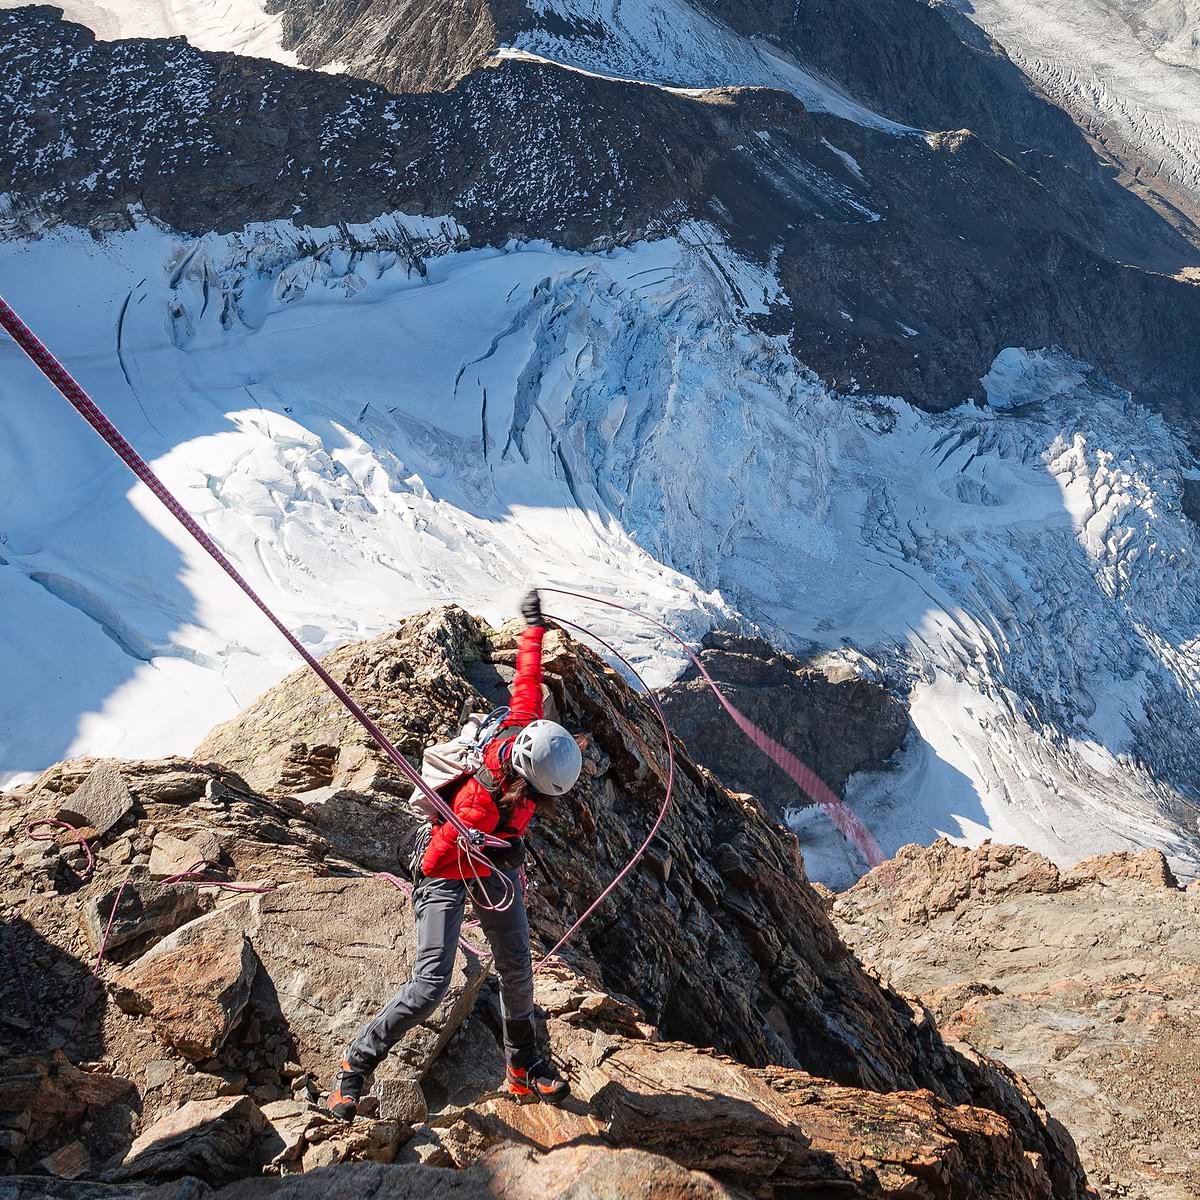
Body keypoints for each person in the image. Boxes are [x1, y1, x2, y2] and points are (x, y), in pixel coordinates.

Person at [326, 589, 582, 1119]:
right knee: (430, 983)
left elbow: (527, 681)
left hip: (489, 860)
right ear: (529, 783)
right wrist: (474, 844)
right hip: (445, 864)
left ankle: (523, 1068)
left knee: (516, 967)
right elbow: (433, 864)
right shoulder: (478, 803)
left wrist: (533, 628)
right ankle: (354, 1068)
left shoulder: (523, 730)